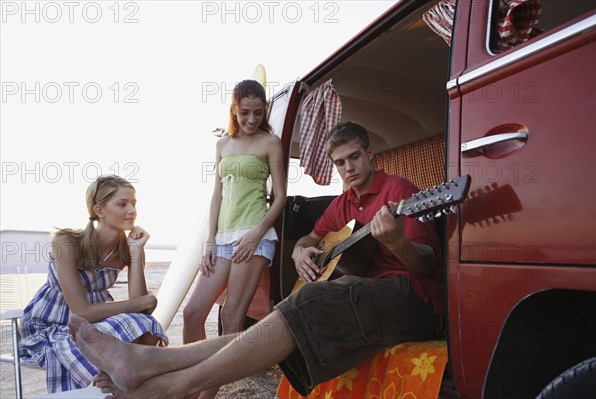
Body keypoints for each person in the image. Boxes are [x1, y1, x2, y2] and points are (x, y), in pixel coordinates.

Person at [68, 121, 445, 399]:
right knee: (281, 324)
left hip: (409, 299)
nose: (349, 167)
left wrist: (396, 241)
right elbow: (315, 236)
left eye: (354, 157)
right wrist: (300, 250)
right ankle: (146, 367)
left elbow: (427, 266)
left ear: (370, 155)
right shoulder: (343, 203)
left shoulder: (400, 192)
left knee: (304, 303)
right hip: (360, 298)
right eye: (340, 162)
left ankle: (162, 381)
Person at [182, 79, 287, 398]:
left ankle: (204, 394)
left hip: (254, 235)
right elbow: (216, 197)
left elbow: (280, 197)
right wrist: (209, 242)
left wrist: (256, 235)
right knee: (192, 313)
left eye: (258, 112)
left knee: (230, 318)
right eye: (245, 113)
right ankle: (193, 379)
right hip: (223, 238)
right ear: (233, 109)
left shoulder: (271, 142)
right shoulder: (222, 145)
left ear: (265, 111)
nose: (252, 119)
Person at [19, 175, 168, 393]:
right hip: (53, 323)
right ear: (99, 210)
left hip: (98, 318)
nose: (132, 210)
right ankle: (118, 386)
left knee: (146, 325)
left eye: (134, 204)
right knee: (130, 324)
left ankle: (124, 389)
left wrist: (136, 251)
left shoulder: (127, 247)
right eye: (122, 204)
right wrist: (141, 302)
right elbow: (81, 312)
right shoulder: (66, 241)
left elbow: (142, 307)